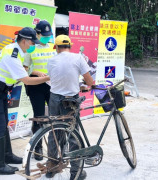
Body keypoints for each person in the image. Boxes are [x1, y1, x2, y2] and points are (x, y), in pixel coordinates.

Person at [0, 27, 50, 175]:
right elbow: (26, 80)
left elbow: (22, 71)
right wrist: (48, 78)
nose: (33, 45)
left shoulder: (15, 50)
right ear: (25, 41)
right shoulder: (12, 55)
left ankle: (7, 156)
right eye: (32, 42)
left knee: (3, 125)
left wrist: (35, 72)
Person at [46, 35, 94, 180]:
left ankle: (51, 167)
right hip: (70, 100)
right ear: (70, 46)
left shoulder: (51, 60)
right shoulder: (78, 57)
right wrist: (88, 84)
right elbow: (89, 80)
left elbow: (55, 77)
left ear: (57, 47)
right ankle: (76, 172)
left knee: (54, 131)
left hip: (54, 99)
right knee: (72, 134)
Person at [23, 20, 56, 161]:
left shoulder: (52, 48)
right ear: (37, 33)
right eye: (44, 35)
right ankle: (37, 147)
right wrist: (34, 71)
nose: (47, 38)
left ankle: (54, 147)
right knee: (39, 116)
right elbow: (24, 69)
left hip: (51, 85)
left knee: (54, 115)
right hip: (35, 85)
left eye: (48, 35)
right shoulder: (31, 48)